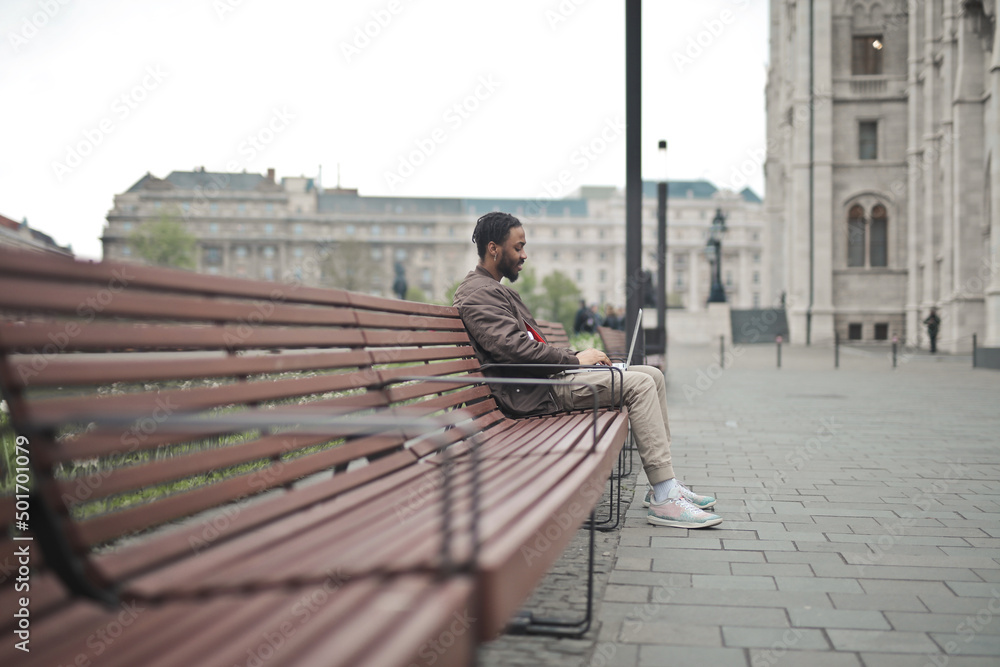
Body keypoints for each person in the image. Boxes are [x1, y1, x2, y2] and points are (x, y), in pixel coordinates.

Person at [452, 212, 722, 529]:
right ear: (494, 249)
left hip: (541, 381)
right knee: (639, 385)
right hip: (532, 393)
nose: (524, 255)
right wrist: (575, 361)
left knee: (652, 376)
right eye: (518, 247)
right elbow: (514, 350)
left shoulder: (491, 290)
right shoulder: (478, 294)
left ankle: (665, 485)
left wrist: (576, 356)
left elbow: (523, 345)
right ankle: (664, 498)